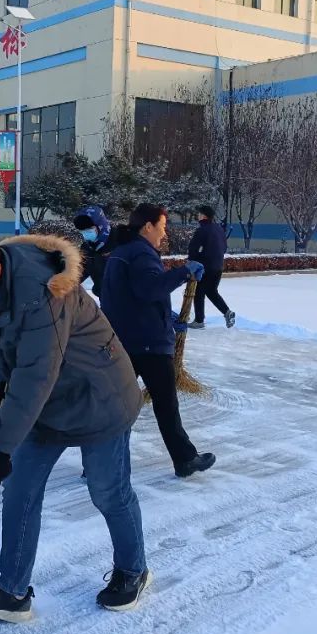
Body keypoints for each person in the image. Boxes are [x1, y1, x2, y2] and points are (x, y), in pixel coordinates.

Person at [0, 230, 149, 618]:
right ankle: (12, 591)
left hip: (98, 394)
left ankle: (133, 569)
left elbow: (36, 375)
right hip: (50, 402)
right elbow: (4, 345)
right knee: (20, 488)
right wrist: (1, 384)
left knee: (108, 491)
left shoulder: (43, 294)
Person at [100, 203, 216, 479]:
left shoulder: (121, 252)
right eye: (162, 227)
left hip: (126, 340)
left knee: (118, 405)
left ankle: (100, 462)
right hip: (148, 344)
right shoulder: (141, 253)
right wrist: (183, 272)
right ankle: (185, 459)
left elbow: (129, 295)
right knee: (165, 405)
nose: (164, 234)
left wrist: (168, 315)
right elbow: (150, 288)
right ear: (148, 226)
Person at [188, 205, 235, 329]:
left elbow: (193, 249)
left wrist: (192, 261)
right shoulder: (219, 229)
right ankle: (227, 312)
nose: (197, 216)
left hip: (205, 267)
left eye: (199, 214)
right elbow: (224, 248)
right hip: (218, 266)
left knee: (199, 293)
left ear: (203, 216)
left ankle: (199, 321)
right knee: (211, 291)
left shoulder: (201, 230)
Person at [72, 204, 117, 298]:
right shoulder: (87, 247)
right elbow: (81, 270)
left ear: (101, 225)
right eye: (82, 231)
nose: (85, 233)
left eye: (89, 229)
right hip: (104, 297)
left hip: (126, 300)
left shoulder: (119, 241)